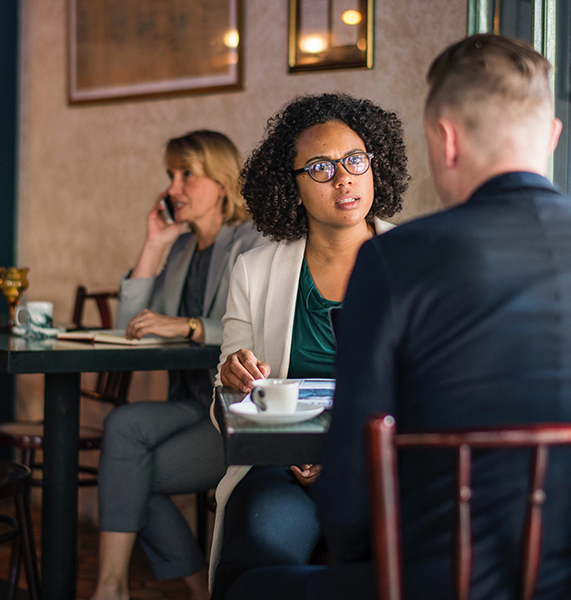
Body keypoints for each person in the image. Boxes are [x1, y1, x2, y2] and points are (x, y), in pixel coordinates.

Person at [226, 34, 571, 600]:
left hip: (447, 578)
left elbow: (351, 488)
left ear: (444, 139)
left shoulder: (397, 261)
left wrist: (360, 557)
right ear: (551, 136)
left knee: (249, 588)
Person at [209, 92, 409, 600]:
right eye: (320, 167)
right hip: (284, 464)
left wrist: (350, 456)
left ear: (372, 167)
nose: (343, 177)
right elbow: (227, 402)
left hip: (387, 467)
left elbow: (438, 393)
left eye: (354, 160)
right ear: (292, 188)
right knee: (257, 549)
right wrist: (235, 377)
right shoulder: (255, 270)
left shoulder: (416, 262)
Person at [91, 131, 266, 600]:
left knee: (129, 473)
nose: (173, 187)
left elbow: (253, 332)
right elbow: (131, 329)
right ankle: (144, 587)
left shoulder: (252, 242)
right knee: (123, 424)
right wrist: (154, 243)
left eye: (187, 174)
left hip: (232, 412)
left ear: (222, 183)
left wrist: (187, 326)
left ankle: (118, 587)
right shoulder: (183, 247)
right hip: (188, 402)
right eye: (171, 175)